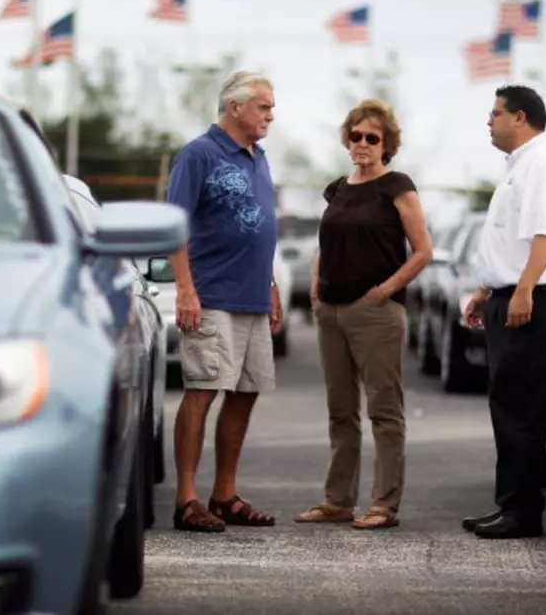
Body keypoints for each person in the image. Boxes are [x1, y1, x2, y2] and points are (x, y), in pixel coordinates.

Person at [294, 99, 433, 530]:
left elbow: (423, 251)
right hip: (331, 311)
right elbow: (328, 241)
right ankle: (337, 500)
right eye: (356, 135)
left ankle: (384, 504)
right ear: (347, 138)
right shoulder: (337, 189)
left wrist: (385, 291)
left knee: (383, 410)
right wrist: (317, 286)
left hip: (374, 312)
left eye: (372, 137)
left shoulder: (397, 187)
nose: (362, 144)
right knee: (340, 411)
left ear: (386, 144)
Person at [461, 85, 546, 539]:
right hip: (511, 295)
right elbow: (509, 242)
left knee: (521, 409)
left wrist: (525, 289)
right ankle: (511, 504)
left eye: (495, 113)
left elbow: (545, 235)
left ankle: (523, 513)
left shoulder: (545, 164)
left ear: (520, 117)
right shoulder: (520, 166)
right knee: (507, 406)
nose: (488, 121)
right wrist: (484, 289)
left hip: (535, 300)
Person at [165, 71, 283, 533]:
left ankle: (225, 494)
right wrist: (185, 288)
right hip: (211, 294)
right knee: (202, 390)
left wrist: (270, 284)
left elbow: (261, 228)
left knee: (246, 391)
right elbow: (175, 224)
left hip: (252, 295)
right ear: (235, 108)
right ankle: (187, 499)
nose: (271, 116)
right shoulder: (199, 154)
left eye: (271, 108)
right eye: (264, 107)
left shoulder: (260, 157)